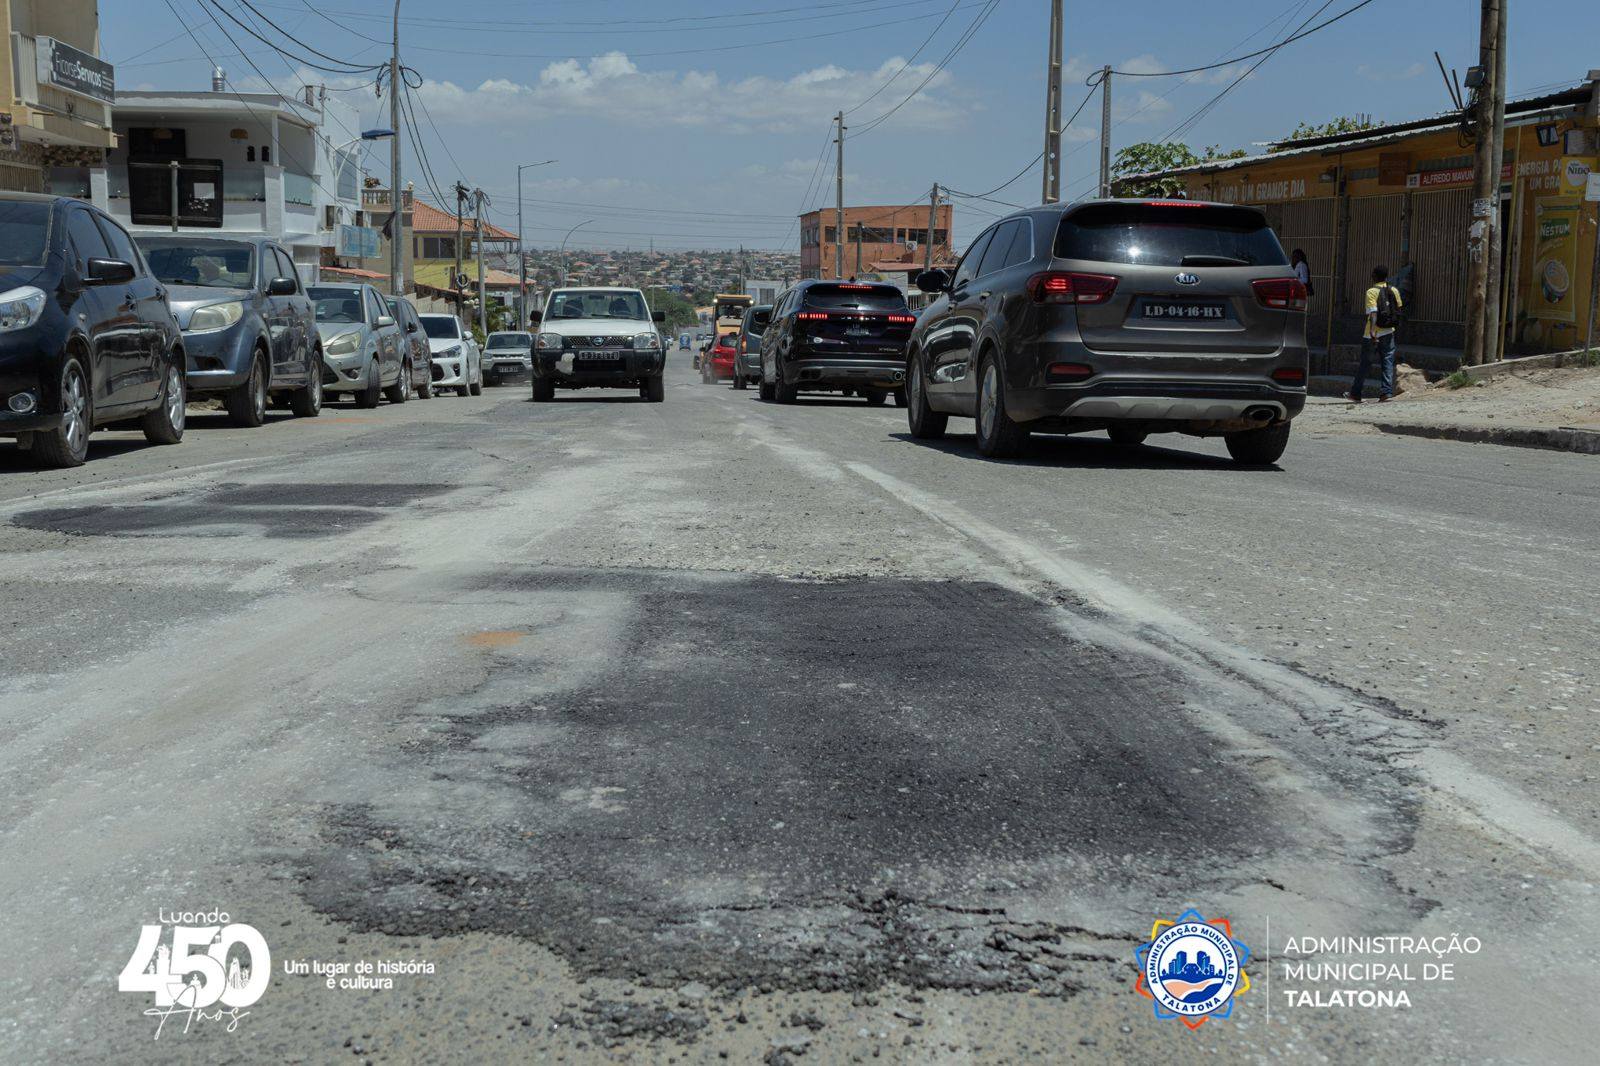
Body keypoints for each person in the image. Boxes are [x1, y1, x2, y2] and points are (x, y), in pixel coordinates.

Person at [1347, 264, 1403, 403]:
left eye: (1373, 273)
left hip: (1372, 333)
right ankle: (1386, 392)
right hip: (1389, 331)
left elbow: (1373, 312)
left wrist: (1372, 331)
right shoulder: (1394, 290)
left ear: (1375, 276)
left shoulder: (1371, 292)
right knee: (1387, 362)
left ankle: (1356, 393)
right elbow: (1398, 308)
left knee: (1365, 364)